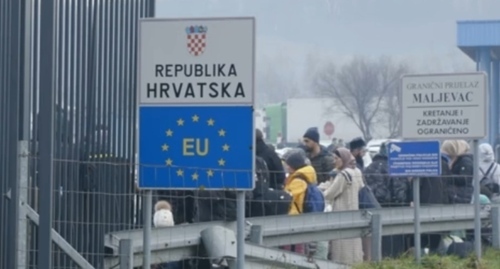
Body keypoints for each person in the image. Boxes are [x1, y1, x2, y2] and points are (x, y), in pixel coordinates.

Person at [320, 147, 364, 264]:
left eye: (336, 158)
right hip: (354, 213)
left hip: (341, 213)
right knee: (353, 244)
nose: (334, 161)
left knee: (341, 248)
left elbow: (329, 194)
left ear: (343, 158)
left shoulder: (343, 175)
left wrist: (319, 191)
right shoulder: (356, 171)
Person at [282, 148, 318, 257]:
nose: (286, 167)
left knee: (293, 246)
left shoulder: (298, 181)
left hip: (294, 216)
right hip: (296, 216)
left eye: (288, 165)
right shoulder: (299, 178)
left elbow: (290, 196)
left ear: (294, 166)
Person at [441, 140, 474, 204]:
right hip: (457, 195)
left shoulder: (465, 161)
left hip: (461, 196)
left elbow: (465, 178)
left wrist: (446, 177)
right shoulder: (456, 160)